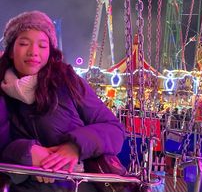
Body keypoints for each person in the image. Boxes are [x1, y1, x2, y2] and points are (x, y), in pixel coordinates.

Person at [0, 11, 126, 192]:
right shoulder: (3, 92)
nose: (33, 52)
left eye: (42, 46)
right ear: (11, 51)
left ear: (50, 52)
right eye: (24, 43)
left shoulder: (68, 82)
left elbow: (114, 130)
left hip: (79, 183)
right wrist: (27, 152)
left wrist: (75, 146)